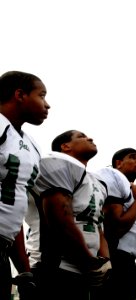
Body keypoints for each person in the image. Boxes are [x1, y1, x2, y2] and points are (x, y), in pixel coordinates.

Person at [33, 130, 112, 300]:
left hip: (87, 270)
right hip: (57, 266)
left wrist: (105, 261)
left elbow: (98, 224)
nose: (90, 137)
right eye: (81, 136)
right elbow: (60, 219)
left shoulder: (99, 182)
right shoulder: (57, 164)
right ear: (65, 146)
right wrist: (88, 262)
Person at [0, 70, 50, 300]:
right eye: (41, 95)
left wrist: (24, 270)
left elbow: (14, 209)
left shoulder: (30, 145)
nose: (47, 104)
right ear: (20, 94)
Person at [95, 148, 136, 300]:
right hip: (114, 256)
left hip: (129, 259)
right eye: (133, 158)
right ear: (118, 163)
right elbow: (115, 229)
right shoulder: (113, 181)